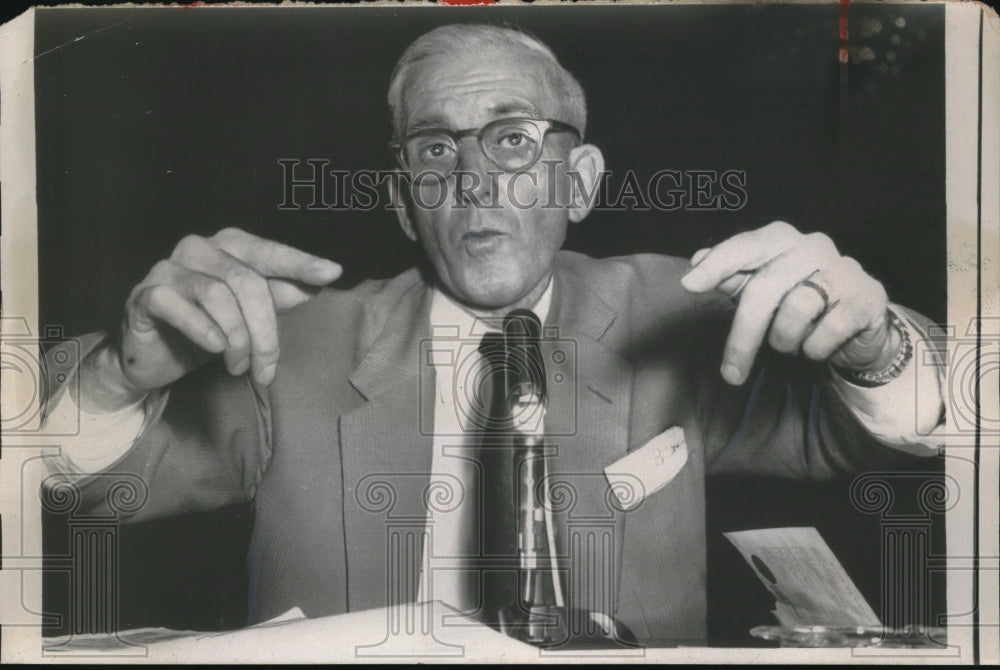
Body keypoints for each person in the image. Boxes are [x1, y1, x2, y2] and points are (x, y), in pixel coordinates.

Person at [41, 23, 945, 645]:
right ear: (403, 203)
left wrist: (878, 350)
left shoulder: (673, 314)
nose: (472, 180)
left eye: (512, 140)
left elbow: (870, 436)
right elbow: (79, 486)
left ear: (580, 183)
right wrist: (119, 378)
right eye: (435, 149)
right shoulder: (296, 347)